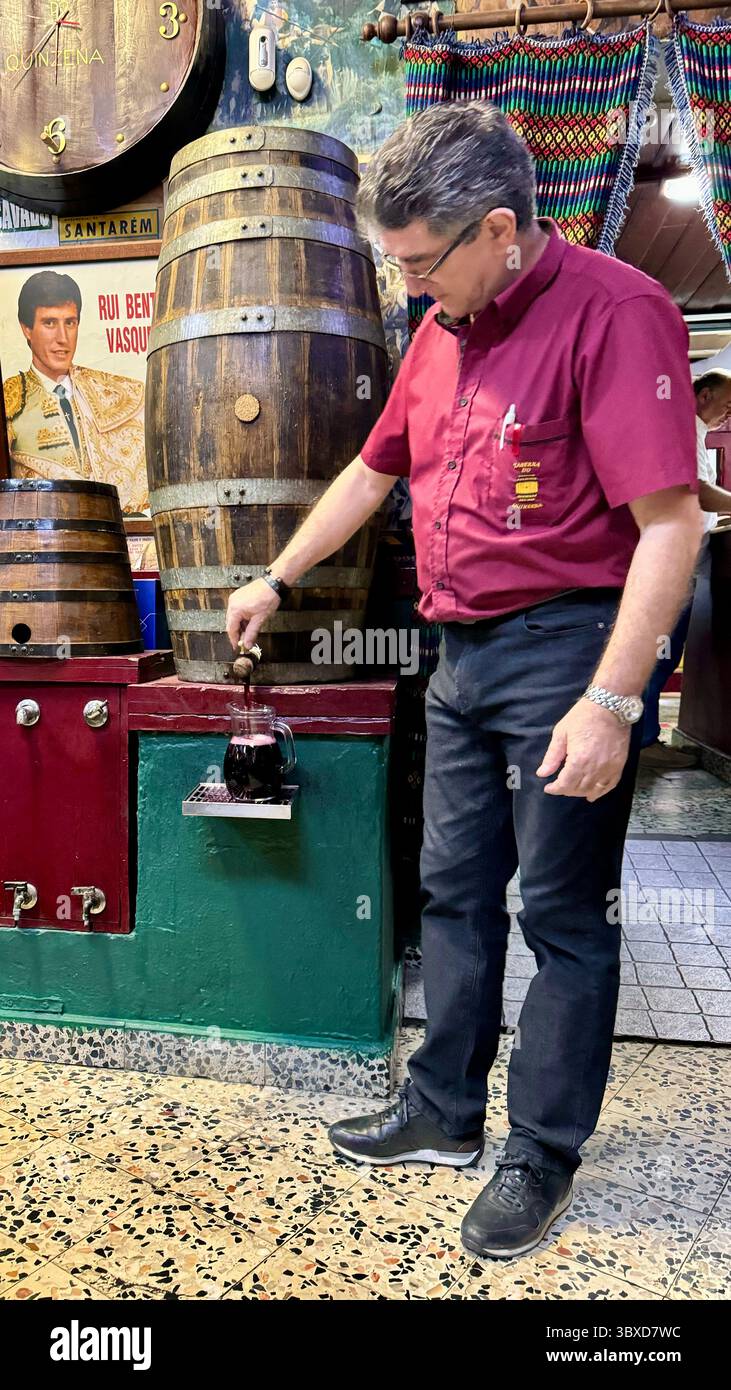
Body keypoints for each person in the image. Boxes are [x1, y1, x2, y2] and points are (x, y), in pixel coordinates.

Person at [225, 102, 702, 1260]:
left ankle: (539, 1151)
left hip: (566, 650)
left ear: (498, 229)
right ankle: (441, 1112)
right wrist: (277, 578)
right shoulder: (442, 328)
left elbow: (671, 526)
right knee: (447, 891)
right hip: (458, 654)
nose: (410, 290)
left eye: (421, 263)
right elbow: (370, 471)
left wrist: (610, 700)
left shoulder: (615, 313)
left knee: (561, 914)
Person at [640, 368, 731, 768]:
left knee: (662, 653)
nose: (729, 413)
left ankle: (644, 739)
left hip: (678, 561)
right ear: (705, 394)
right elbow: (700, 492)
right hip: (672, 566)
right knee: (656, 656)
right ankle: (643, 743)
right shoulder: (686, 426)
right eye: (727, 403)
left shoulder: (690, 429)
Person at [3, 270, 147, 513]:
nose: (63, 338)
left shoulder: (119, 391)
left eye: (70, 322)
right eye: (49, 323)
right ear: (26, 329)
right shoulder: (9, 402)